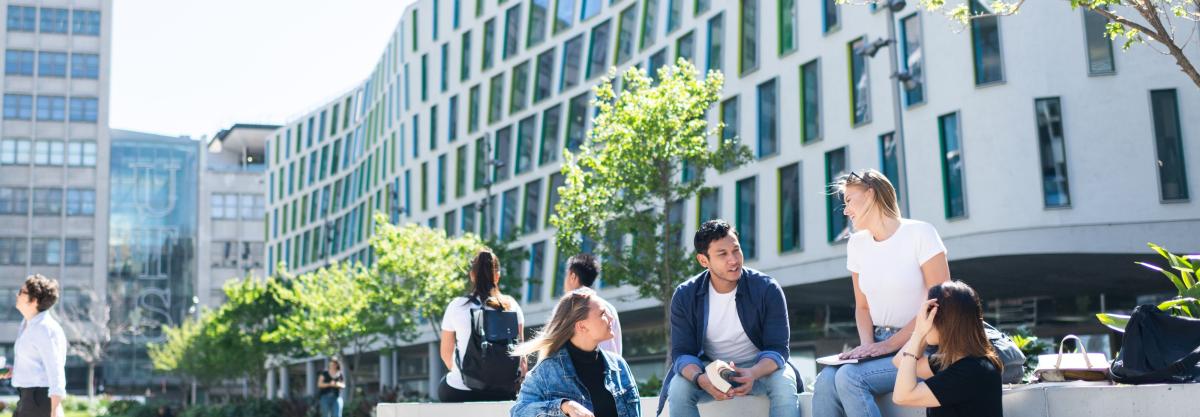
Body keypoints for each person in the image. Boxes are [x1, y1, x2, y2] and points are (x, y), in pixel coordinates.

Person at [813, 170, 950, 417]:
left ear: (871, 193)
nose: (845, 210)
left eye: (849, 200)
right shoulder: (856, 244)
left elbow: (939, 304)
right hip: (878, 341)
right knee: (824, 381)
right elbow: (862, 307)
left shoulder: (921, 233)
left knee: (849, 378)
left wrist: (888, 345)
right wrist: (868, 347)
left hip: (922, 343)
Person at [659, 220, 799, 417]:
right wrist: (700, 378)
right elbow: (682, 353)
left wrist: (753, 372)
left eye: (736, 250)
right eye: (722, 254)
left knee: (784, 383)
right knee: (679, 389)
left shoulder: (767, 288)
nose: (733, 260)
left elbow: (778, 349)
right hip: (710, 370)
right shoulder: (685, 295)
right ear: (703, 260)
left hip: (760, 368)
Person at [510, 288, 640, 417]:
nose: (611, 317)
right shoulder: (546, 372)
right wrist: (564, 406)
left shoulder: (619, 366)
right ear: (582, 326)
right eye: (602, 314)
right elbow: (518, 412)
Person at [892, 281, 1003, 417]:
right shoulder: (959, 362)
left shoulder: (973, 371)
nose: (924, 319)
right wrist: (920, 333)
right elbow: (899, 361)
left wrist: (920, 333)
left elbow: (902, 396)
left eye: (930, 313)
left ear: (946, 322)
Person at [438, 249, 526, 402]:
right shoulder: (511, 305)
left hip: (462, 390)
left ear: (472, 275)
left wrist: (464, 376)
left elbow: (446, 354)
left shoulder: (457, 306)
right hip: (503, 391)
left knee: (443, 385)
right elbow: (522, 358)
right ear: (497, 276)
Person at [1, 275, 68, 417]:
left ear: (34, 300)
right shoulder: (26, 323)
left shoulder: (45, 328)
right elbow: (36, 363)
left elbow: (56, 371)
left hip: (40, 401)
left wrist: (55, 409)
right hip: (27, 399)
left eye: (22, 292)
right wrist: (15, 370)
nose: (17, 294)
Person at [562, 253, 623, 355]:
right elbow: (617, 348)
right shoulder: (609, 308)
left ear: (572, 276)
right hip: (609, 367)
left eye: (566, 275)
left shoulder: (568, 308)